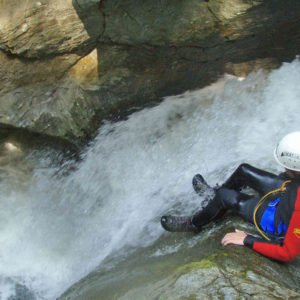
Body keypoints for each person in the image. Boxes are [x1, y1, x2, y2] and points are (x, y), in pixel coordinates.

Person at [161, 131, 300, 262]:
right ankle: (213, 198)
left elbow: (287, 252)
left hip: (279, 220)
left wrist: (247, 239)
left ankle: (193, 223)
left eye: (285, 166)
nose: (283, 168)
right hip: (289, 192)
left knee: (224, 196)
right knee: (244, 170)